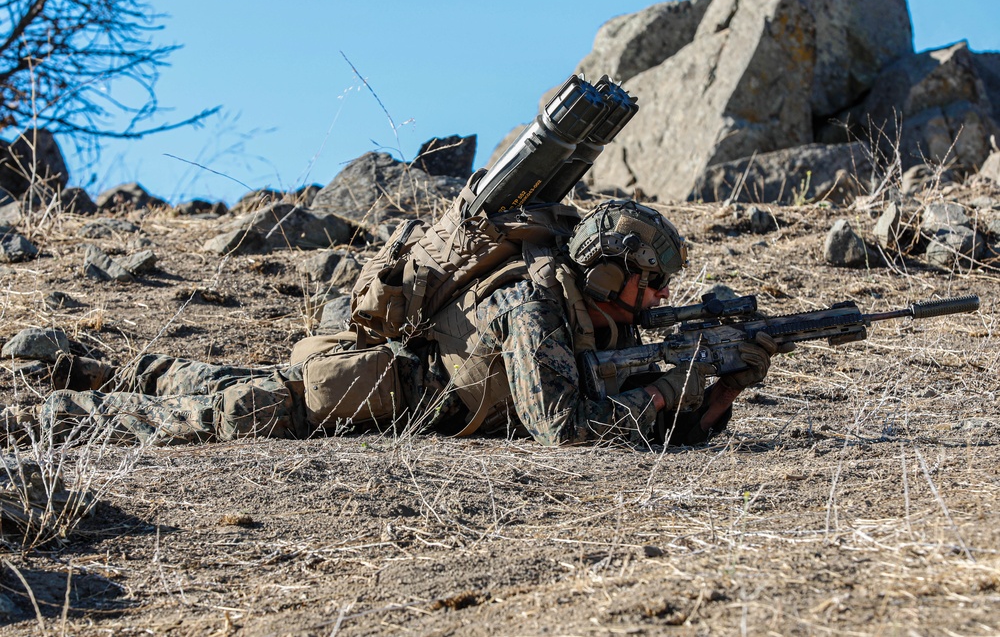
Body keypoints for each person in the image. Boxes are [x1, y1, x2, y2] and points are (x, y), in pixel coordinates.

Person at [33, 199, 778, 447]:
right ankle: (51, 412)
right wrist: (661, 392)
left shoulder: (601, 325)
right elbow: (569, 431)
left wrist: (720, 392)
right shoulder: (533, 305)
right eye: (650, 282)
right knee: (221, 411)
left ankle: (115, 367)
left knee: (202, 382)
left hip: (374, 393)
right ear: (610, 270)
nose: (656, 299)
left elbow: (652, 431)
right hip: (336, 400)